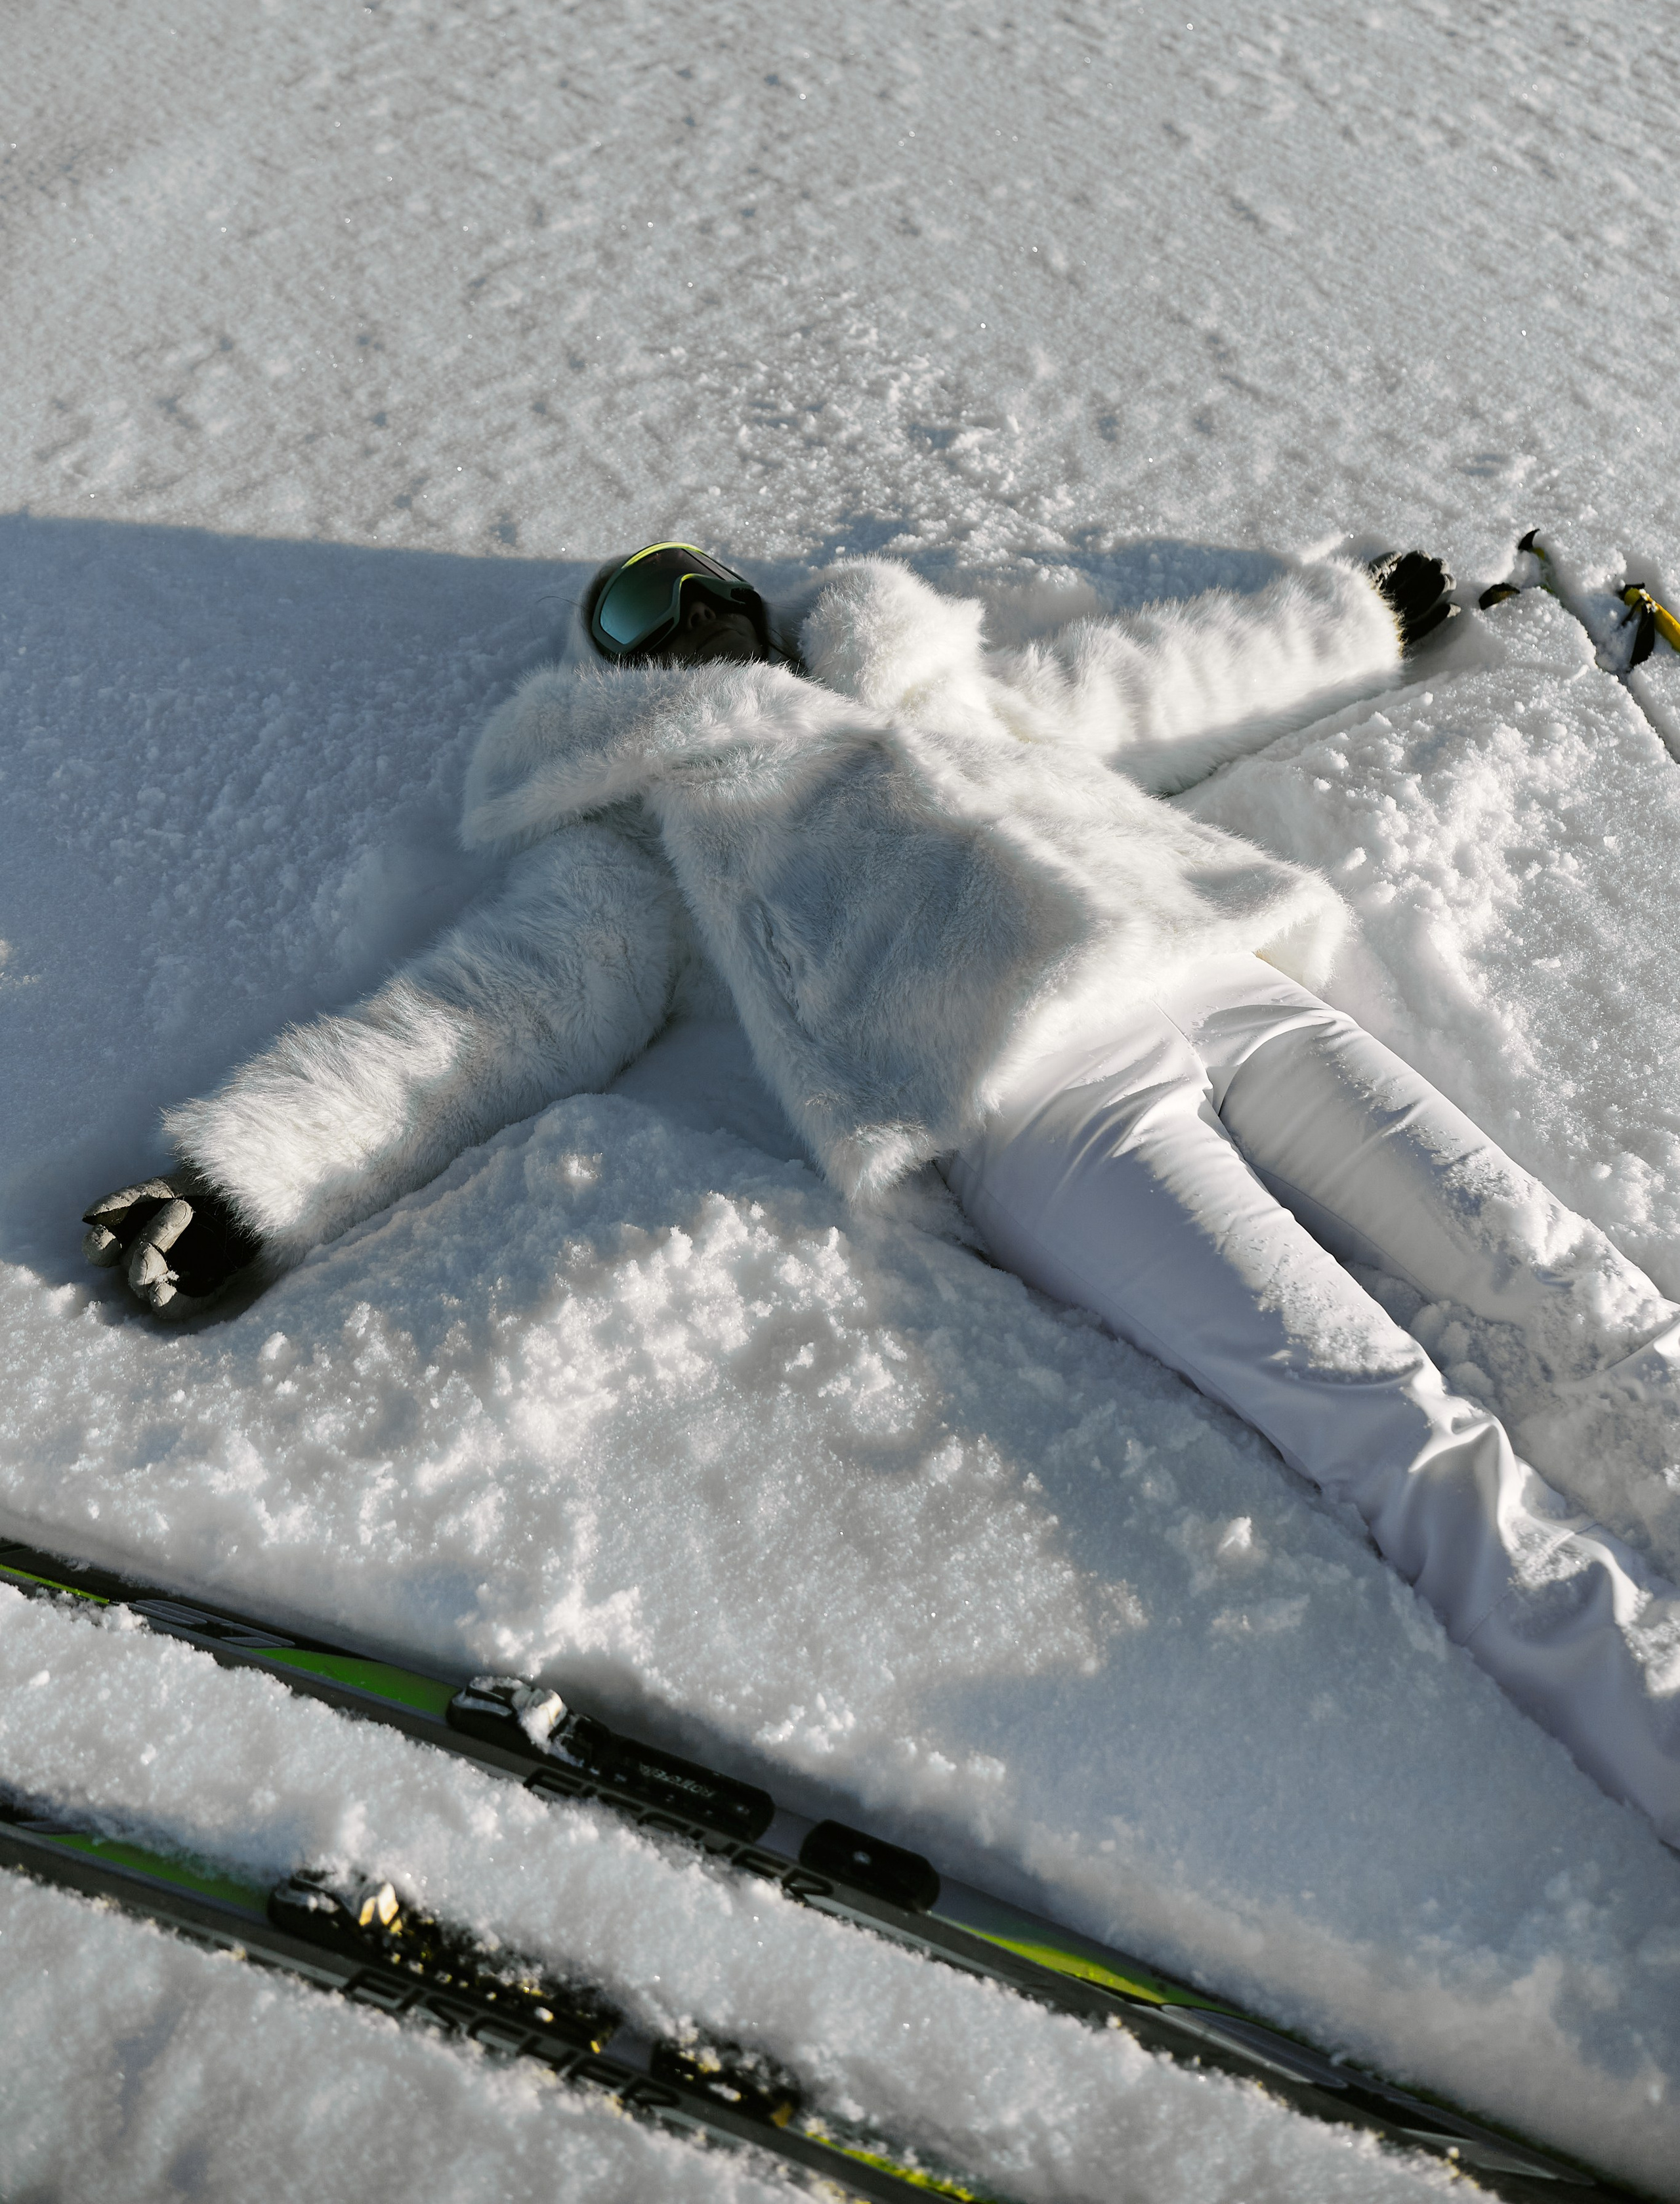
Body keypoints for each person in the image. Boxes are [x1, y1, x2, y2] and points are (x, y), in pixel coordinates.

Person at [81, 541, 1680, 1846]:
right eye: (637, 600)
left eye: (699, 578)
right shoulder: (661, 820)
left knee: (1553, 1277)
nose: (687, 604)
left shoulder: (937, 692)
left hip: (1223, 988)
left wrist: (1350, 618)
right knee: (1374, 1412)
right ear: (614, 668)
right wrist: (244, 1180)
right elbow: (480, 1016)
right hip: (1046, 1114)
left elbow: (1159, 683)